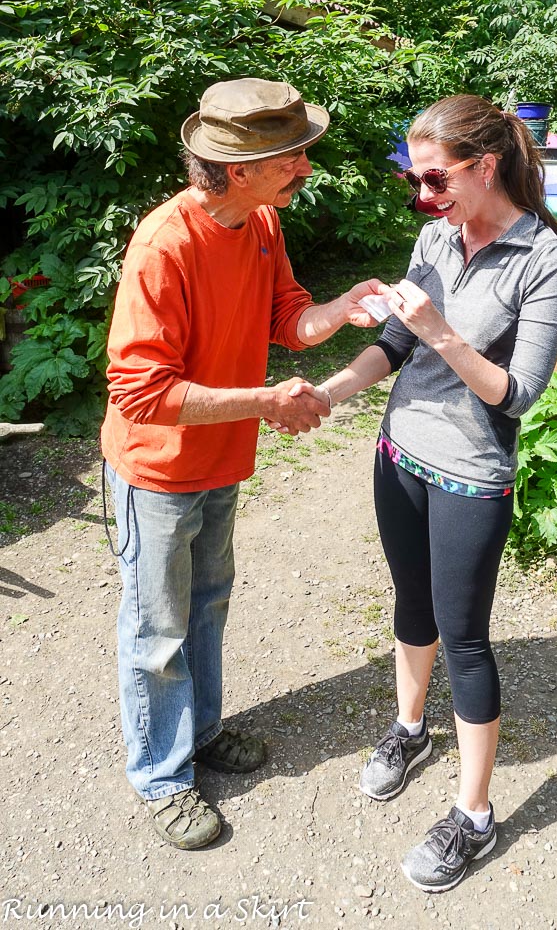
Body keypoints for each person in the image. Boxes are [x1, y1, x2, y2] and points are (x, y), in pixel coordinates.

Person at [284, 94, 557, 891]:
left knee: (464, 635)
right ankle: (409, 727)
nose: (422, 197)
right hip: (398, 452)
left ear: (485, 166)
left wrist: (442, 330)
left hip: (471, 475)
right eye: (413, 182)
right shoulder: (433, 236)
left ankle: (473, 816)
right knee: (409, 606)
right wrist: (327, 396)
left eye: (435, 180)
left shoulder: (545, 260)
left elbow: (513, 395)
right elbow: (392, 345)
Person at [101, 77, 382, 850]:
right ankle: (162, 777)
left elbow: (286, 315)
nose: (306, 169)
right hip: (156, 472)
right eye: (291, 157)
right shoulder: (165, 244)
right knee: (156, 629)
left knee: (208, 604)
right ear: (236, 168)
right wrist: (265, 401)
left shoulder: (258, 222)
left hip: (220, 462)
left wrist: (341, 308)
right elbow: (140, 391)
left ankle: (200, 731)